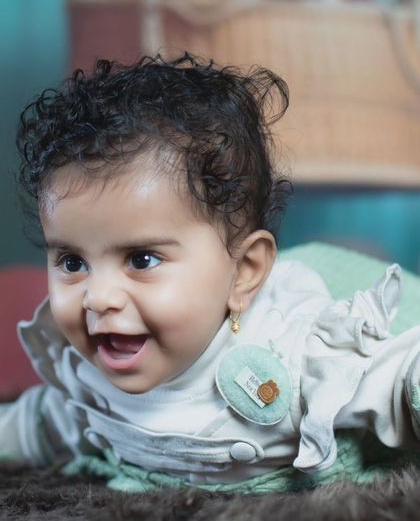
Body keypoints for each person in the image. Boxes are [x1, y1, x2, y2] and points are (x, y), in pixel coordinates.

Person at [1, 53, 419, 490]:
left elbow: (390, 382)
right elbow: (46, 425)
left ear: (243, 272)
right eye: (73, 262)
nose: (98, 296)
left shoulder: (291, 349)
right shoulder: (86, 379)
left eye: (141, 260)